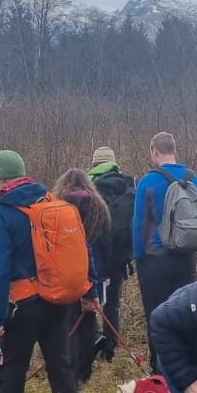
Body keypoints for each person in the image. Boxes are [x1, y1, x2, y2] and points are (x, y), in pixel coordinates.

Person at [0, 150, 89, 393]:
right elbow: (81, 249)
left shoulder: (3, 212)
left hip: (23, 303)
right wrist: (90, 289)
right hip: (57, 300)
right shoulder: (50, 202)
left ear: (1, 181)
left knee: (13, 370)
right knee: (62, 370)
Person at [132, 132, 197, 371]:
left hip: (154, 259)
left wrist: (137, 255)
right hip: (186, 256)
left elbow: (140, 223)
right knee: (184, 313)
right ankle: (187, 364)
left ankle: (160, 369)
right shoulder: (195, 180)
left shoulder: (148, 181)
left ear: (154, 150)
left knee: (157, 315)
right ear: (175, 150)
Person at [53, 168, 112, 387]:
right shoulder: (99, 207)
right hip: (92, 277)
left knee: (65, 324)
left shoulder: (56, 205)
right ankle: (84, 372)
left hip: (64, 273)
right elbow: (106, 244)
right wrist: (103, 275)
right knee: (88, 323)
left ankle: (66, 367)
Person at [88, 146, 135, 363]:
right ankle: (109, 348)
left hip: (94, 256)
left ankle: (91, 344)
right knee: (112, 303)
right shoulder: (128, 186)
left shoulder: (89, 187)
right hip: (119, 257)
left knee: (88, 302)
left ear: (95, 164)